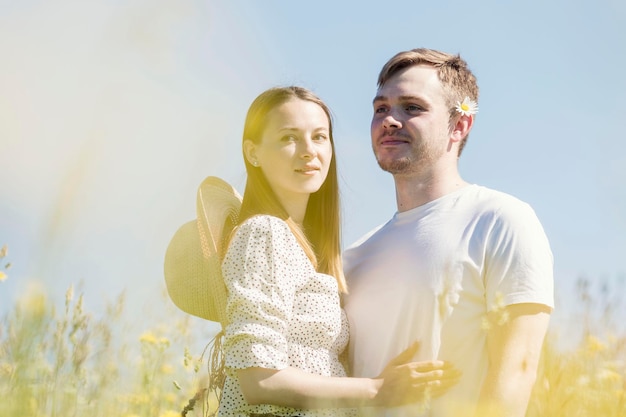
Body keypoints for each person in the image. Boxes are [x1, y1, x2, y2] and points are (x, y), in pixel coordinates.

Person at [210, 86, 460, 417]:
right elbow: (259, 378)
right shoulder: (264, 233)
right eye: (289, 138)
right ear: (253, 152)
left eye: (319, 137)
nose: (308, 151)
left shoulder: (305, 249)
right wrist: (377, 389)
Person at [342, 48, 554, 417]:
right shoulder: (353, 256)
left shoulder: (501, 220)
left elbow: (515, 378)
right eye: (380, 109)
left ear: (460, 125)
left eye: (412, 107)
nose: (390, 120)